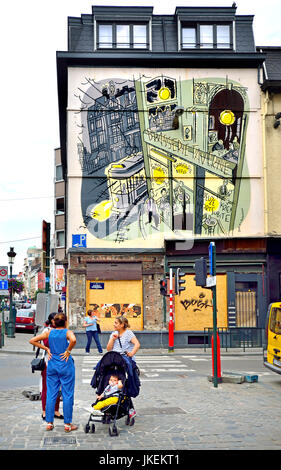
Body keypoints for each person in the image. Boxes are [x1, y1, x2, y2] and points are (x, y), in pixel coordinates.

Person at [29, 314, 77, 432]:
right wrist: (68, 351)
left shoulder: (49, 332)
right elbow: (74, 340)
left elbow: (32, 340)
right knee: (67, 394)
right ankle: (67, 424)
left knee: (51, 393)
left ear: (54, 323)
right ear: (65, 322)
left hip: (52, 365)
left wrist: (46, 348)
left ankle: (49, 422)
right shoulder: (67, 332)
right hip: (65, 365)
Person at [106, 316, 140, 419]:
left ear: (122, 325)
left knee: (125, 386)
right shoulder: (113, 334)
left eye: (116, 323)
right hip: (114, 361)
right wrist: (113, 339)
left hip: (125, 362)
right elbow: (108, 349)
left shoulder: (128, 333)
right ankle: (110, 408)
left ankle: (130, 409)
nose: (114, 324)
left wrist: (131, 353)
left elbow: (137, 344)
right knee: (112, 384)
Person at [41, 313, 63, 421]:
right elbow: (46, 344)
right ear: (51, 321)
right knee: (46, 387)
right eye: (56, 320)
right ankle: (45, 411)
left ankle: (56, 410)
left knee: (58, 387)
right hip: (48, 362)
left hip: (60, 362)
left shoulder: (62, 330)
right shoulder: (46, 331)